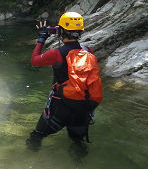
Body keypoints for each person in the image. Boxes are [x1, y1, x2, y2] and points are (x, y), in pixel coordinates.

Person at [27, 11, 102, 153]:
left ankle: (28, 160)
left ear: (60, 31)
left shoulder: (56, 54)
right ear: (80, 32)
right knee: (78, 143)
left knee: (36, 136)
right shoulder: (89, 51)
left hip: (59, 107)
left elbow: (34, 60)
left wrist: (42, 38)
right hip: (82, 109)